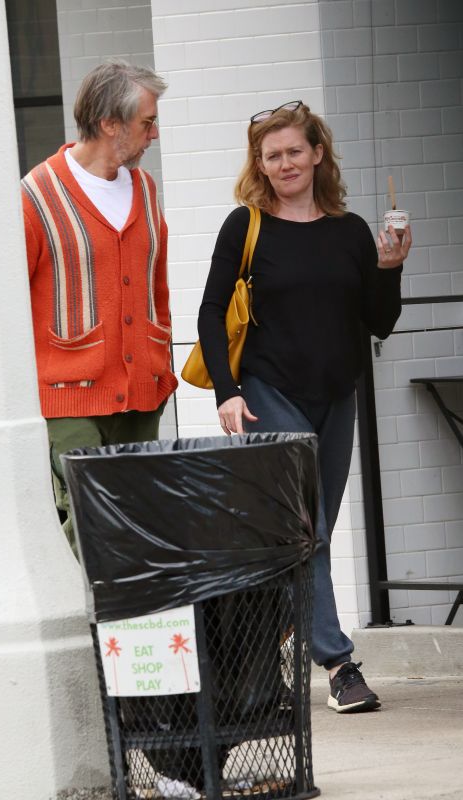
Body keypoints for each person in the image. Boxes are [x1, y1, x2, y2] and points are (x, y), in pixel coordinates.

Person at [197, 101, 412, 714]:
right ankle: (339, 664)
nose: (284, 163)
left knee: (299, 535)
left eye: (294, 151)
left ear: (318, 154)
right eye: (272, 156)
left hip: (337, 399)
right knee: (308, 527)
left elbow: (380, 322)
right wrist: (227, 393)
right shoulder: (245, 226)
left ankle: (258, 658)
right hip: (267, 396)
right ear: (260, 166)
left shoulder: (348, 232)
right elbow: (212, 313)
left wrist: (391, 269)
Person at [21, 59, 177, 555]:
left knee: (141, 519)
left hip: (142, 393)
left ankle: (131, 632)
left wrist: (159, 353)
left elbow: (158, 289)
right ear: (111, 124)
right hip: (69, 395)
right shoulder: (36, 196)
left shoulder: (146, 191)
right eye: (146, 122)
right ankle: (82, 630)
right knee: (89, 524)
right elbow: (12, 305)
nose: (154, 134)